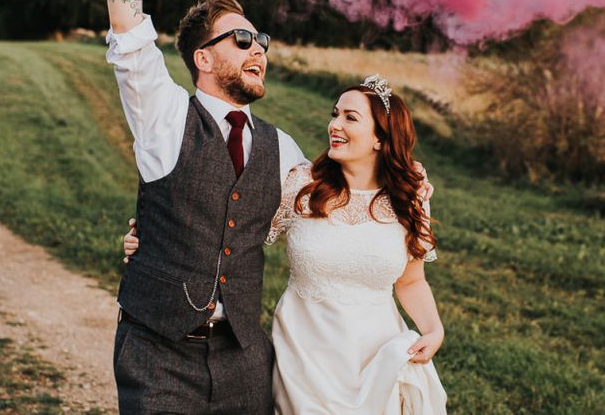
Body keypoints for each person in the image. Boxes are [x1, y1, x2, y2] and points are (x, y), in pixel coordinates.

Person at [108, 0, 433, 414]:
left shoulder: (283, 152)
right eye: (240, 39)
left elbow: (336, 213)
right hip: (157, 355)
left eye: (260, 38)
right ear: (204, 58)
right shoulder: (162, 115)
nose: (258, 47)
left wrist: (402, 187)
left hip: (244, 360)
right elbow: (126, 17)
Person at [126, 75, 448, 414]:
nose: (334, 125)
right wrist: (152, 239)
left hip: (376, 356)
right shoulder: (301, 186)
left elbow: (411, 281)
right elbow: (222, 229)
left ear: (382, 139)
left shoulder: (409, 201)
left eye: (350, 118)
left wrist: (433, 329)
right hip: (304, 356)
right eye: (335, 113)